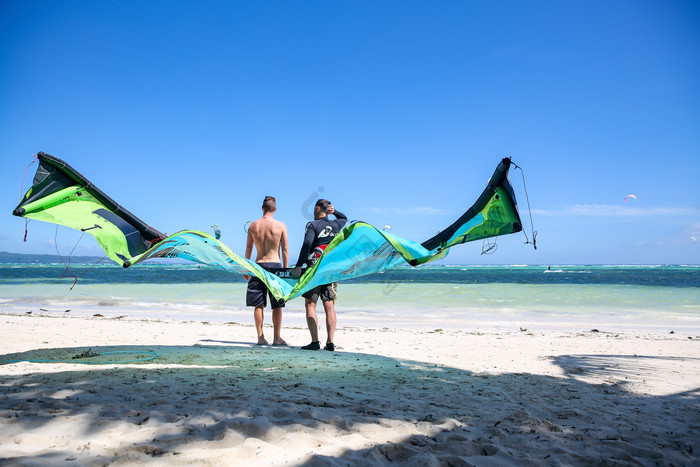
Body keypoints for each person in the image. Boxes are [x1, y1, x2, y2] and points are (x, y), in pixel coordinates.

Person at [295, 199, 347, 351]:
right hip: (331, 270)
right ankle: (330, 343)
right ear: (328, 209)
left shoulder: (313, 224)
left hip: (314, 269)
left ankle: (315, 342)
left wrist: (298, 265)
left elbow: (307, 245)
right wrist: (335, 212)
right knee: (329, 305)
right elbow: (344, 218)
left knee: (311, 304)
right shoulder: (337, 225)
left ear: (318, 208)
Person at [245, 196, 289, 346]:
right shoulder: (281, 226)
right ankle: (277, 338)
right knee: (277, 304)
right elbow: (285, 250)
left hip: (257, 266)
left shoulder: (253, 226)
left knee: (259, 304)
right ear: (275, 209)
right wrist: (286, 271)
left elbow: (249, 248)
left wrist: (246, 267)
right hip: (276, 266)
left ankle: (260, 337)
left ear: (262, 208)